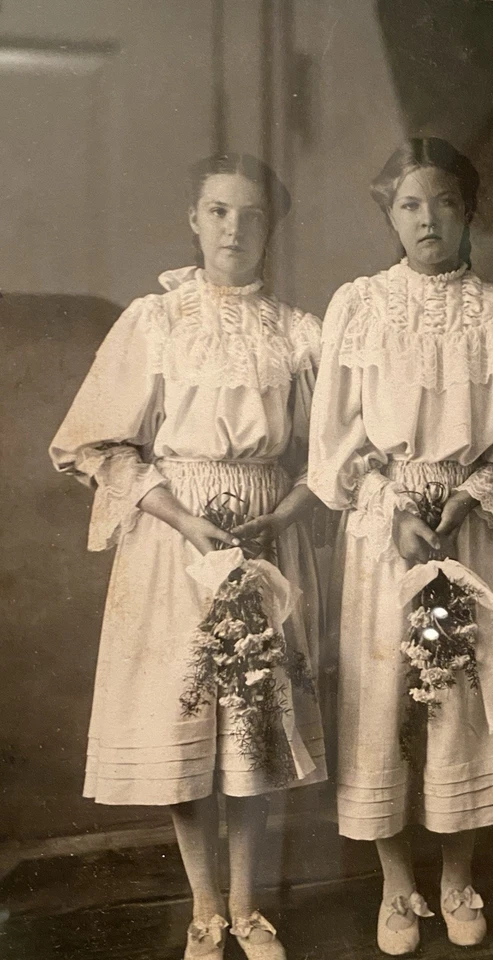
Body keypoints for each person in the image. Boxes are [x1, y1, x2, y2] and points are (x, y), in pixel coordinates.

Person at [308, 137, 493, 955]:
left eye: (444, 203)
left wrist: (464, 499)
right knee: (384, 700)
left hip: (474, 530)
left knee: (463, 700)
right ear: (389, 214)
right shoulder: (357, 305)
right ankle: (398, 888)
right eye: (408, 205)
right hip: (383, 532)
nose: (427, 220)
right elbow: (332, 446)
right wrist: (392, 507)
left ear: (470, 211)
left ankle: (459, 877)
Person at [50, 152, 327, 960]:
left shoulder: (298, 334)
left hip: (264, 542)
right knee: (185, 727)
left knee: (251, 732)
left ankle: (247, 909)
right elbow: (97, 443)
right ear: (194, 219)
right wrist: (179, 516)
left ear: (270, 226)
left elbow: (337, 449)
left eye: (249, 213)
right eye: (217, 211)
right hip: (174, 549)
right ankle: (203, 909)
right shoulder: (153, 320)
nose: (233, 228)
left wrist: (281, 514)